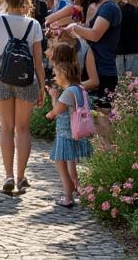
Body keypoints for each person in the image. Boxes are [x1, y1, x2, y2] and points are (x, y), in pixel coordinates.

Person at [0, 0, 46, 196]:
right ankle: (21, 177)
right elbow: (38, 61)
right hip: (26, 79)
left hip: (1, 77)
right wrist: (42, 86)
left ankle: (8, 175)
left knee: (6, 127)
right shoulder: (34, 24)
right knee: (23, 129)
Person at [45, 41, 92, 208]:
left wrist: (52, 97)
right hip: (76, 132)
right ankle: (77, 188)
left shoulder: (67, 93)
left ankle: (67, 196)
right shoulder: (80, 88)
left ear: (62, 74)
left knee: (60, 163)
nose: (55, 77)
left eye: (57, 75)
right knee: (71, 162)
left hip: (65, 134)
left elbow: (55, 112)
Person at [66, 0, 121, 104]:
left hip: (103, 70)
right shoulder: (100, 6)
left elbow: (94, 35)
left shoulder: (109, 7)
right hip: (95, 69)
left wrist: (74, 27)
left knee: (102, 118)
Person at [116, 0, 138, 77]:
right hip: (130, 50)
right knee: (134, 83)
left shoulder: (118, 8)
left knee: (122, 84)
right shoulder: (134, 9)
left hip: (122, 51)